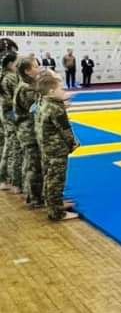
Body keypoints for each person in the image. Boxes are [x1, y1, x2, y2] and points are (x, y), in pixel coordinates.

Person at [35, 70, 80, 221]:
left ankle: (54, 203)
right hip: (56, 149)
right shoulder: (56, 108)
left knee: (49, 177)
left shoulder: (44, 102)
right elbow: (65, 129)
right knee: (56, 179)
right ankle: (56, 212)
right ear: (52, 91)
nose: (64, 91)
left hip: (46, 147)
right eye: (61, 89)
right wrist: (73, 144)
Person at [13, 56, 42, 207]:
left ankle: (31, 194)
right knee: (34, 165)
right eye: (35, 66)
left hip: (27, 129)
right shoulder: (27, 88)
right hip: (29, 131)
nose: (39, 69)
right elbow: (37, 109)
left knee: (31, 163)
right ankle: (36, 198)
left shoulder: (28, 85)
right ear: (27, 71)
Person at [0, 53, 23, 194]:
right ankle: (12, 181)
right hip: (11, 114)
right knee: (13, 147)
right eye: (17, 62)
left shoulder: (5, 75)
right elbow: (18, 97)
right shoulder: (11, 77)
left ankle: (4, 179)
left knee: (8, 145)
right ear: (10, 64)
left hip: (6, 113)